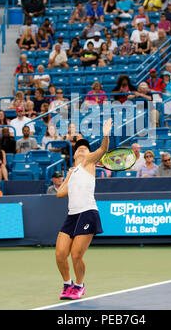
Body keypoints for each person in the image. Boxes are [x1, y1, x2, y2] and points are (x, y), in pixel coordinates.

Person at [55, 119, 112, 300]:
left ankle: (80, 285)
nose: (81, 148)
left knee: (76, 255)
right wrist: (69, 175)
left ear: (89, 153)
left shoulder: (89, 162)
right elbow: (60, 194)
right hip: (72, 215)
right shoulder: (73, 171)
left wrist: (105, 133)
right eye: (78, 147)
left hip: (88, 213)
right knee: (60, 254)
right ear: (74, 154)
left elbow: (102, 150)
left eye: (85, 147)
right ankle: (67, 284)